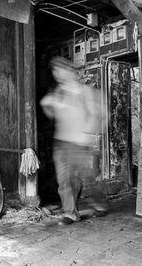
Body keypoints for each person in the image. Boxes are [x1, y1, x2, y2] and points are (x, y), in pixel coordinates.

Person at [40, 56, 109, 225]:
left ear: (70, 71)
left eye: (60, 69)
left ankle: (99, 202)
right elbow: (52, 115)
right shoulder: (58, 92)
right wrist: (47, 105)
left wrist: (89, 135)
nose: (57, 74)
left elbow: (100, 115)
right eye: (55, 70)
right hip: (62, 144)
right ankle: (70, 213)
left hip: (83, 145)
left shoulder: (85, 91)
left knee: (90, 178)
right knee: (65, 180)